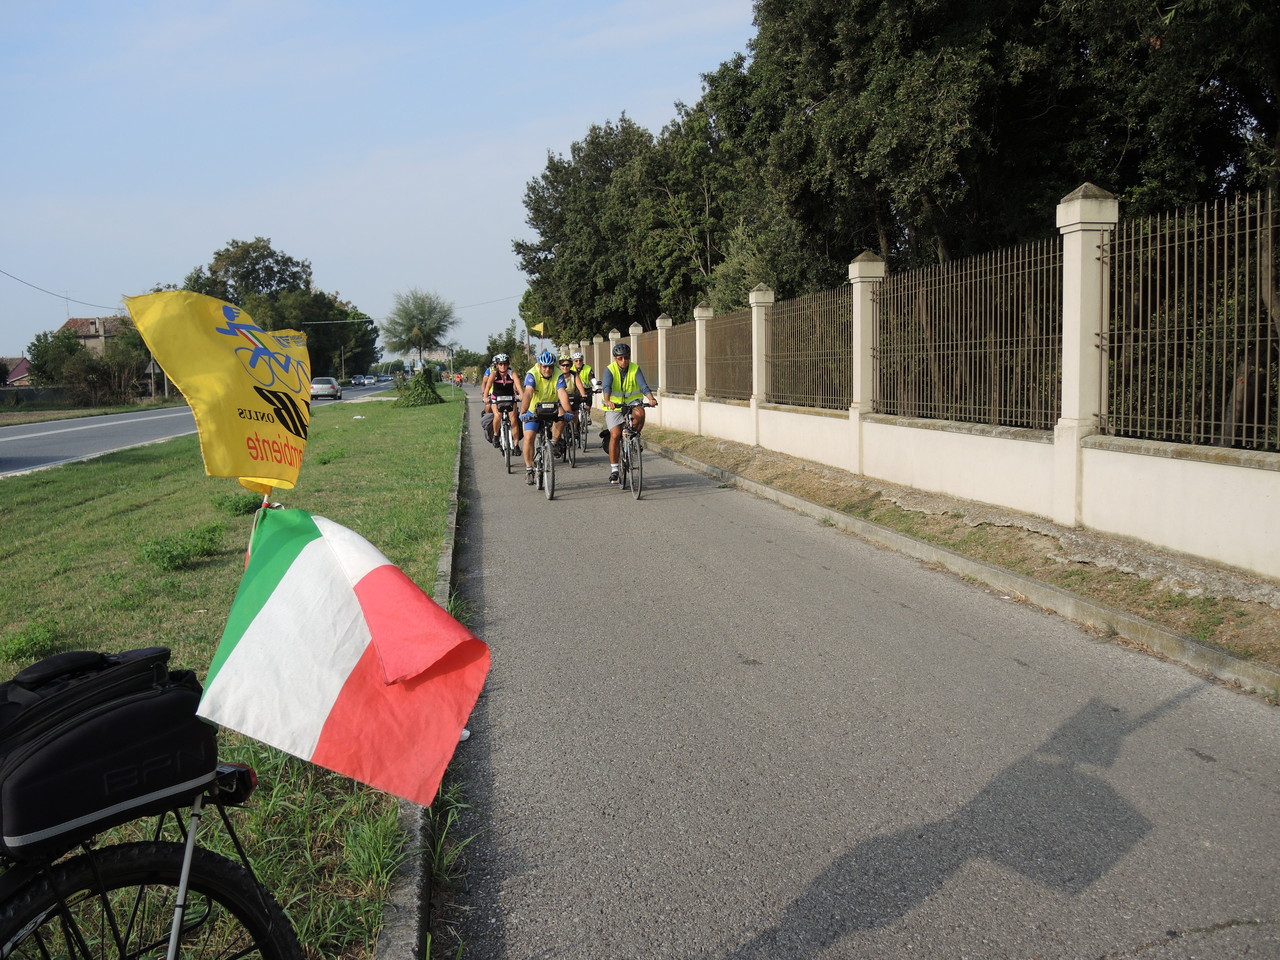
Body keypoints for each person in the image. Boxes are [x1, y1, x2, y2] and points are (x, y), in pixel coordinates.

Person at [600, 341, 657, 484]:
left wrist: (651, 398)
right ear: (615, 358)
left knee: (641, 413)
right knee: (615, 434)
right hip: (614, 406)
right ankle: (614, 469)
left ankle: (633, 438)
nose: (623, 361)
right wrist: (607, 401)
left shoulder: (635, 368)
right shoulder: (610, 370)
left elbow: (643, 386)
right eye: (620, 358)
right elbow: (606, 386)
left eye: (626, 357)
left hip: (632, 403)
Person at [519, 350, 574, 484]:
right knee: (529, 437)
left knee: (562, 417)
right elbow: (528, 392)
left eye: (550, 366)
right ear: (539, 365)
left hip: (552, 407)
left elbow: (562, 393)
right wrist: (523, 411)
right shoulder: (532, 374)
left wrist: (568, 411)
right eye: (544, 366)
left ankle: (554, 442)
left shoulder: (558, 374)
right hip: (533, 410)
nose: (547, 369)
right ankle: (529, 469)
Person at [482, 354, 522, 450]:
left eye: (504, 364)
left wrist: (522, 395)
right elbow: (487, 387)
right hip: (496, 398)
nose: (502, 366)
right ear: (497, 365)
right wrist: (485, 397)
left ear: (508, 364)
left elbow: (519, 386)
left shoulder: (512, 374)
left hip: (510, 398)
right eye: (500, 364)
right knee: (497, 416)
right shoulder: (494, 374)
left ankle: (516, 444)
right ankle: (496, 435)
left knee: (513, 419)